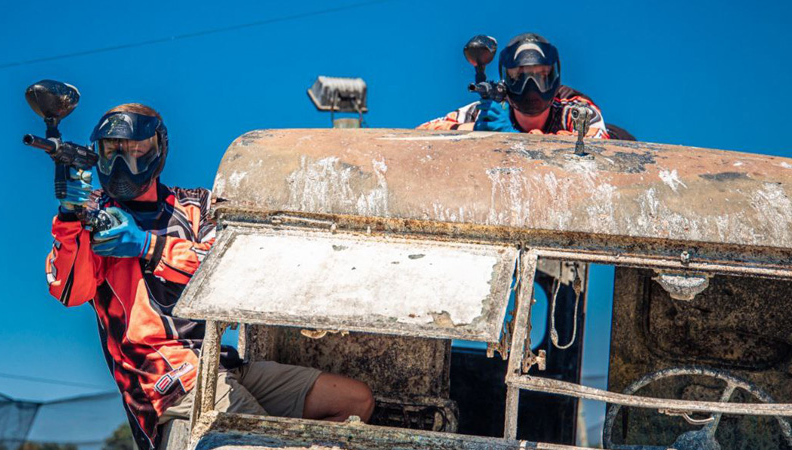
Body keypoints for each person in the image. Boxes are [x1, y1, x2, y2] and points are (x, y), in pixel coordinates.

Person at [44, 103, 374, 449]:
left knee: (354, 401)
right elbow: (69, 291)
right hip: (167, 380)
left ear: (158, 150)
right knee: (263, 439)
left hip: (221, 364)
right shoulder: (92, 215)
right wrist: (69, 220)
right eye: (112, 153)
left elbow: (226, 272)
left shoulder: (196, 206)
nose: (124, 164)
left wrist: (149, 247)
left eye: (136, 151)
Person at [418, 33, 609, 139]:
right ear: (505, 80)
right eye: (519, 76)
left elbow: (596, 142)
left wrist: (519, 138)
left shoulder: (573, 110)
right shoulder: (490, 111)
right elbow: (420, 132)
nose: (531, 86)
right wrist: (471, 130)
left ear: (554, 77)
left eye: (541, 75)